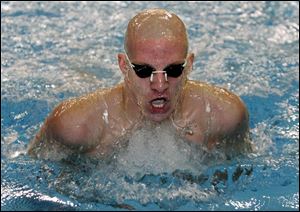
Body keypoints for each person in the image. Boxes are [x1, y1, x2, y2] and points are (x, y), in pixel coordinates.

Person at [27, 8, 252, 161]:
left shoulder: (225, 115)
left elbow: (239, 174)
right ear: (124, 66)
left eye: (173, 70)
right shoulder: (75, 126)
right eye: (144, 71)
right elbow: (34, 181)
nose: (160, 85)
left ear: (189, 65)